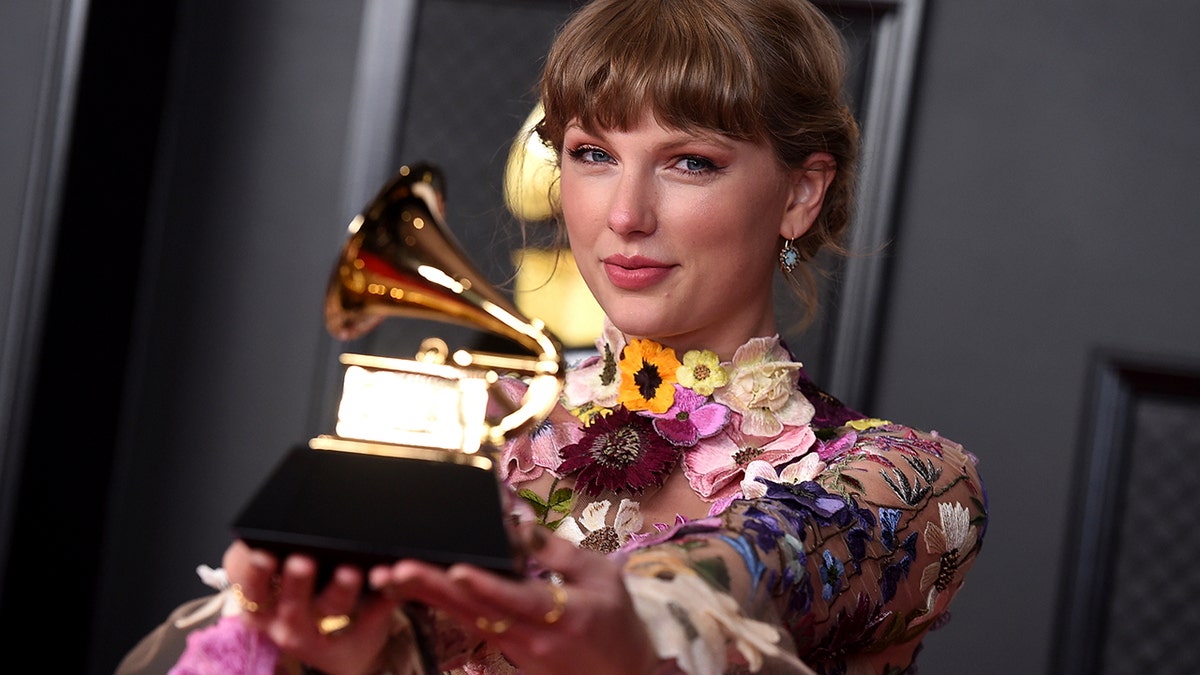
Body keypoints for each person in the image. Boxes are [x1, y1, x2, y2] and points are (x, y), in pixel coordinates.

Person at [118, 0, 987, 673]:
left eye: (691, 161)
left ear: (801, 192)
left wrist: (629, 631)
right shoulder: (472, 428)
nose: (624, 215)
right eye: (591, 152)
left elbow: (754, 572)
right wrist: (316, 638)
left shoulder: (900, 481)